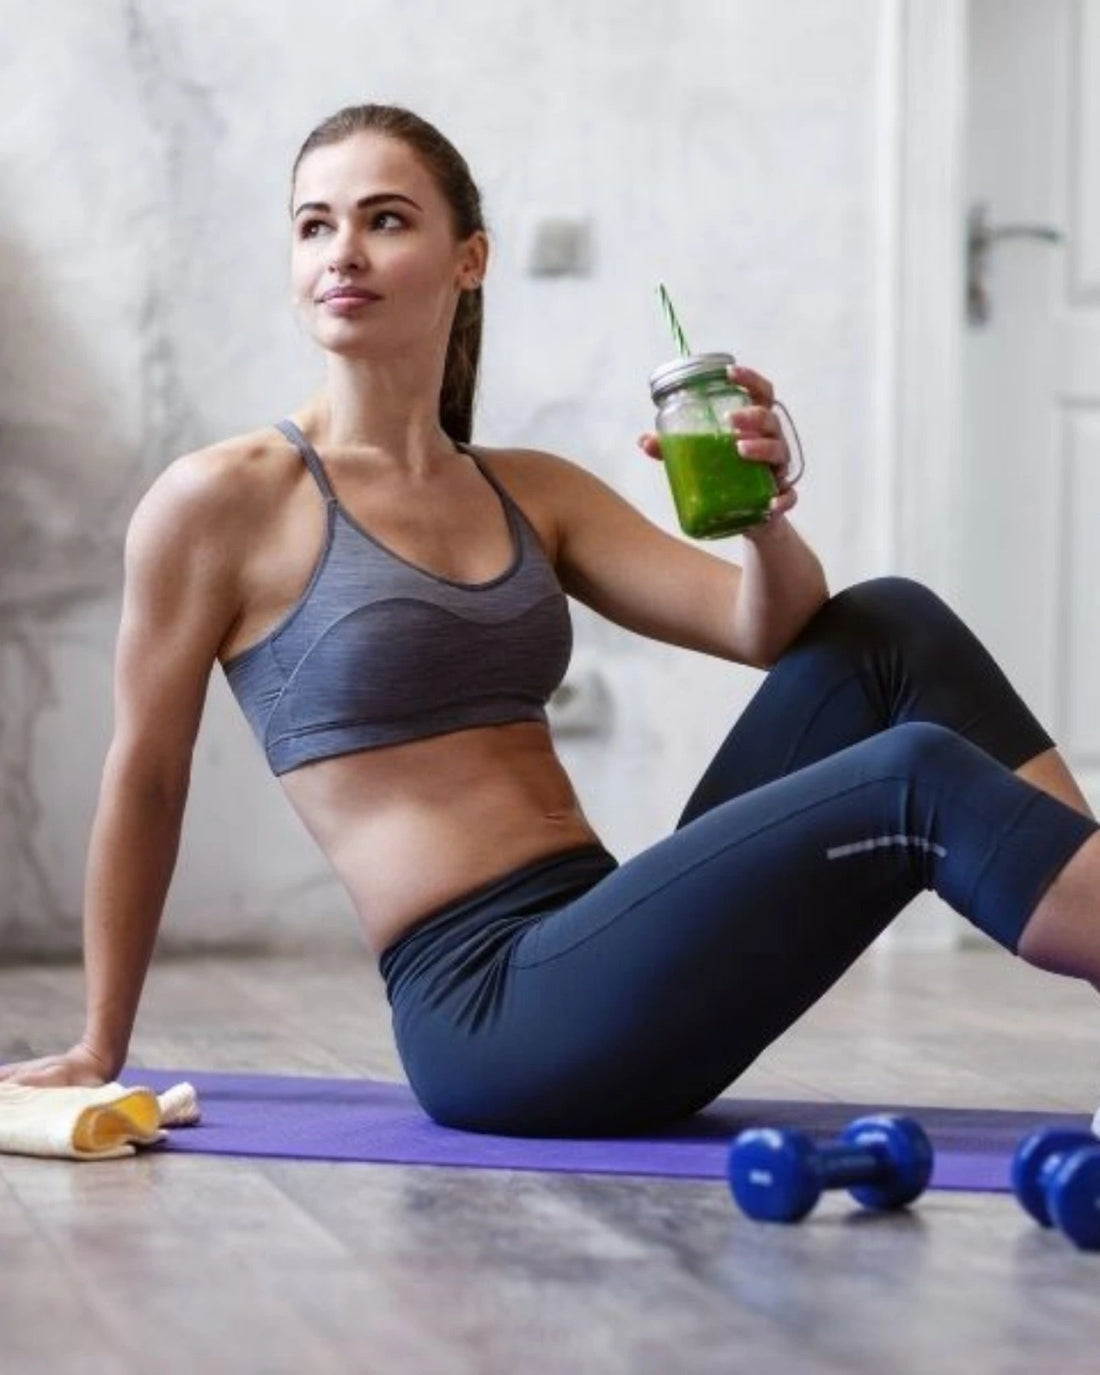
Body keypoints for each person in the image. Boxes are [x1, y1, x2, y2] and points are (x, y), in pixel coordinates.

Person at [2, 104, 1098, 1138]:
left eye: (384, 219)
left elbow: (775, 629)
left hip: (607, 943)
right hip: (494, 1014)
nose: (342, 252)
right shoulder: (221, 501)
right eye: (313, 225)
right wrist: (102, 1043)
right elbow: (145, 774)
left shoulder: (530, 489)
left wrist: (759, 517)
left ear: (468, 260)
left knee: (889, 624)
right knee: (910, 775)